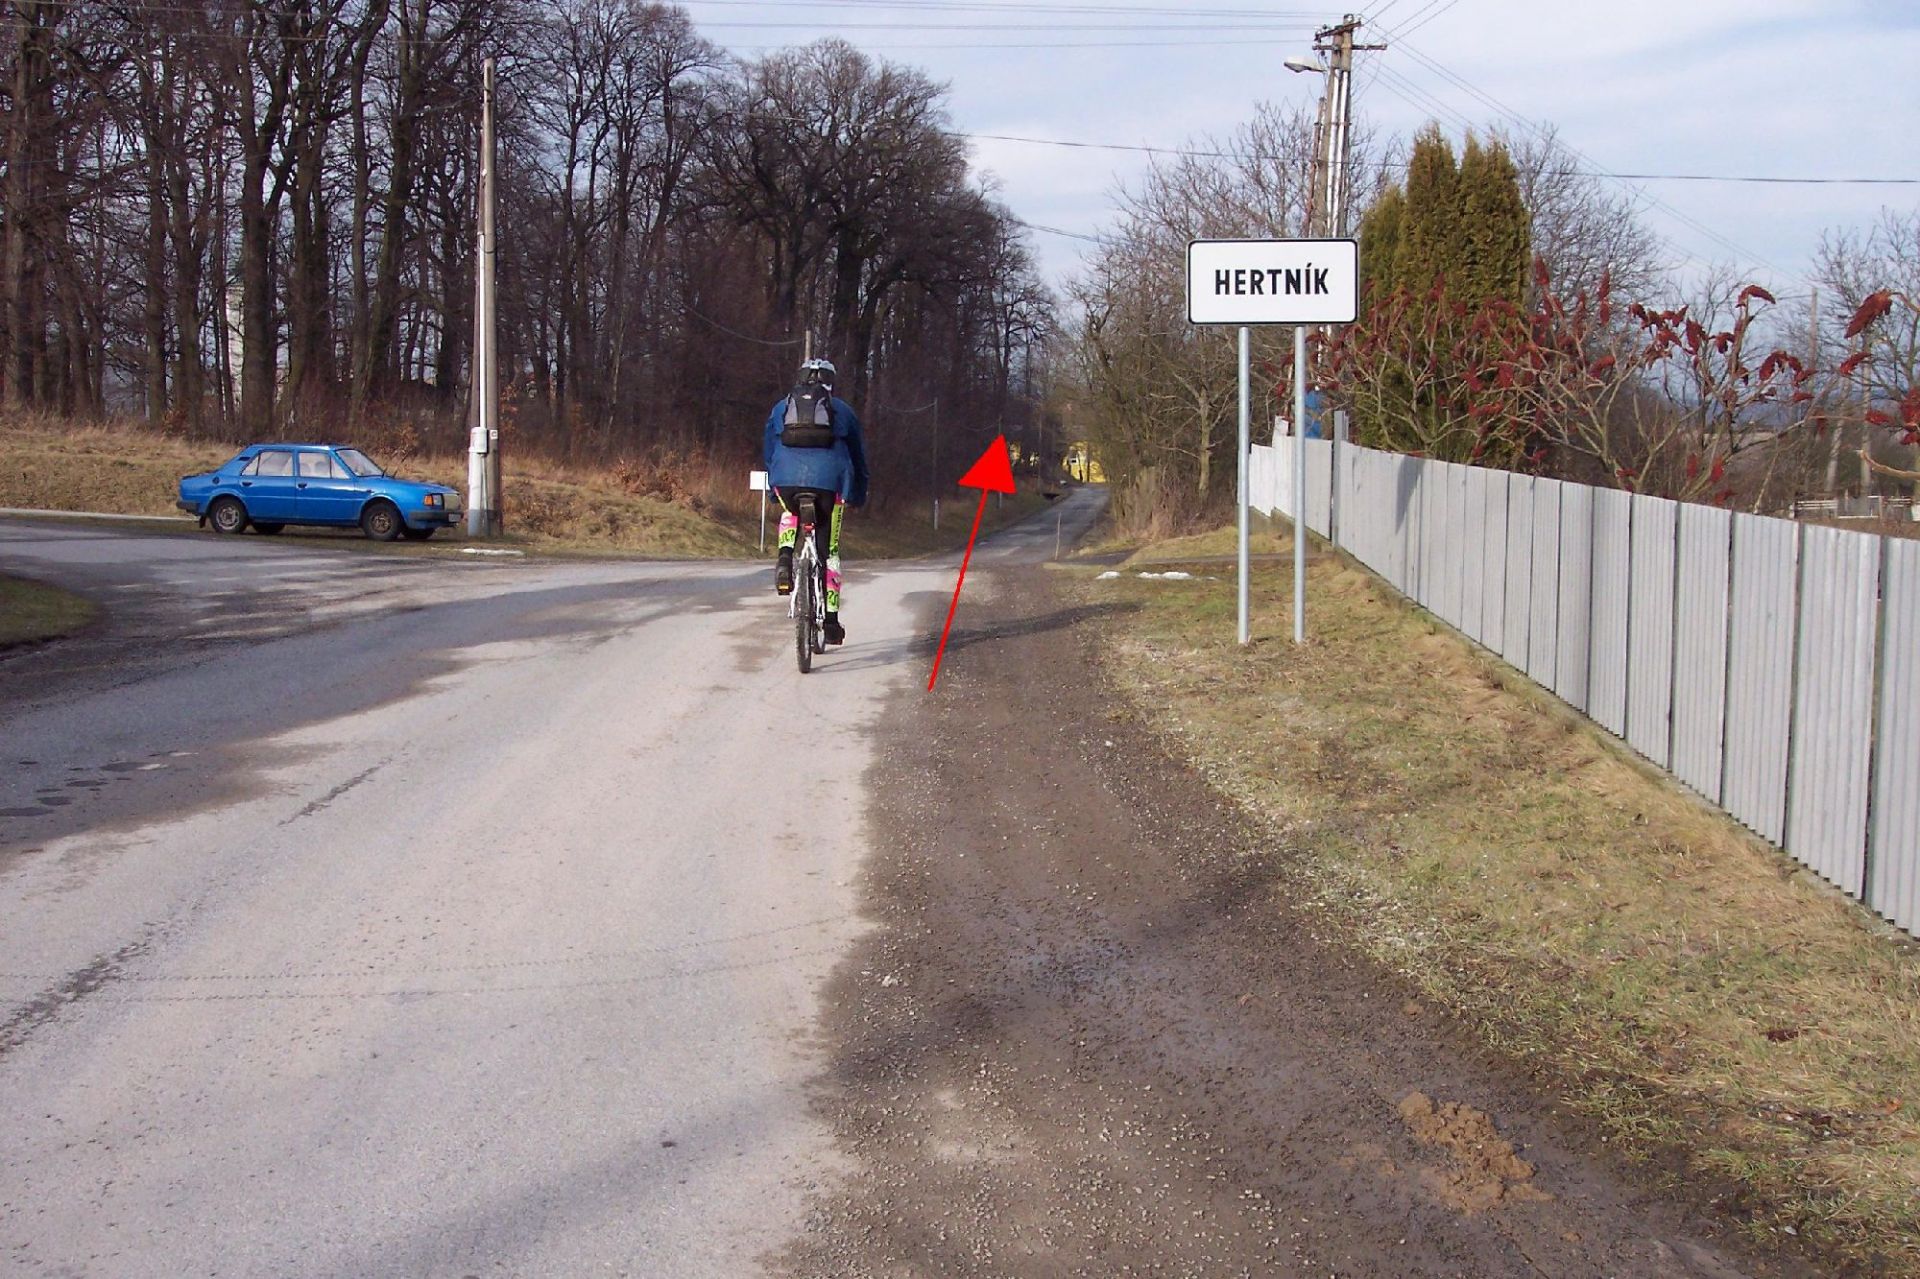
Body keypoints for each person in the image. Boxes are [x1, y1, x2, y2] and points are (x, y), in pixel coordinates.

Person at [764, 357, 868, 645]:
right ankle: (831, 622)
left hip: (786, 481)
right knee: (829, 551)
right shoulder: (843, 411)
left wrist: (774, 488)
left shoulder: (781, 407)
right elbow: (859, 459)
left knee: (790, 510)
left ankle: (785, 556)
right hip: (830, 487)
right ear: (831, 382)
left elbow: (769, 451)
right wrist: (858, 494)